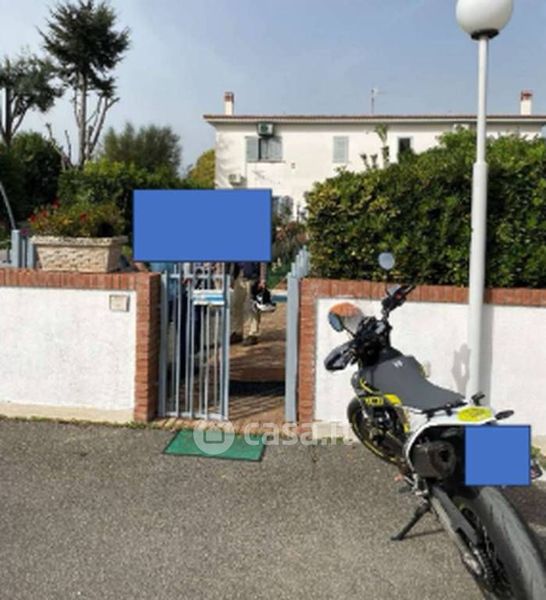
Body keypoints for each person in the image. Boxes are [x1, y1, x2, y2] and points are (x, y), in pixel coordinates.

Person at [230, 261, 267, 346]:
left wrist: (263, 279)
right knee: (236, 305)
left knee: (253, 306)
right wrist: (232, 277)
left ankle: (253, 333)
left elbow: (263, 262)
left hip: (253, 277)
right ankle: (238, 332)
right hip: (239, 276)